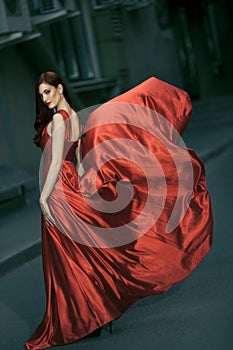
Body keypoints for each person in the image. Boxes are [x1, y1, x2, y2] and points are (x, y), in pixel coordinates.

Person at [25, 71, 213, 349]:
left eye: (48, 92)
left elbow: (54, 164)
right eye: (41, 95)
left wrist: (44, 197)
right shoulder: (75, 116)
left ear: (60, 88)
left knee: (67, 260)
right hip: (70, 185)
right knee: (81, 256)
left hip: (57, 191)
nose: (45, 99)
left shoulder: (57, 119)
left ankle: (87, 317)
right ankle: (95, 315)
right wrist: (86, 186)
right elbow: (78, 160)